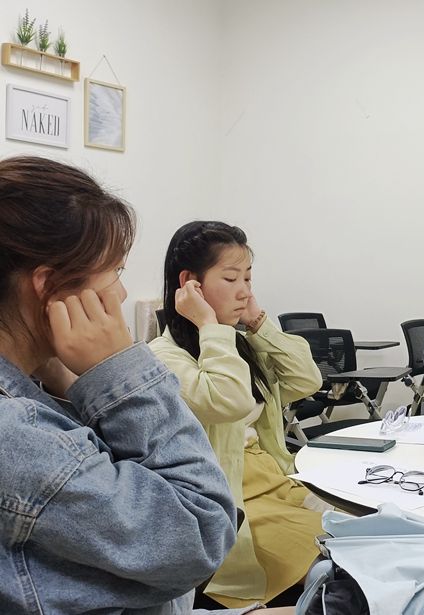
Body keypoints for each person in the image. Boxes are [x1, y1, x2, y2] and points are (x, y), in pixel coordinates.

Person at [0, 156, 237, 613]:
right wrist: (118, 369)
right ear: (50, 286)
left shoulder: (35, 388)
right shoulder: (19, 436)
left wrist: (65, 380)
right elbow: (202, 532)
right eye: (115, 271)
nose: (122, 293)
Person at [150, 221, 324, 608]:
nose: (244, 291)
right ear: (190, 284)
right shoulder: (164, 358)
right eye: (231, 278)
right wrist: (208, 324)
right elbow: (229, 400)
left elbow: (306, 379)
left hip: (277, 479)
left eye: (248, 278)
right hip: (234, 499)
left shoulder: (238, 345)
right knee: (334, 558)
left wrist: (258, 322)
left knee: (366, 530)